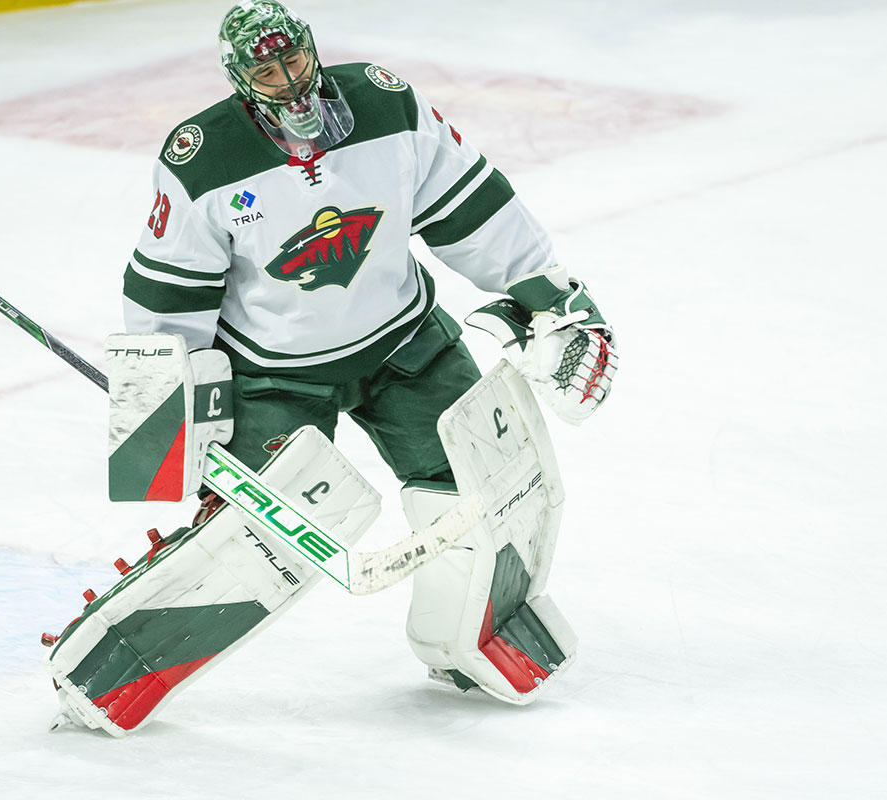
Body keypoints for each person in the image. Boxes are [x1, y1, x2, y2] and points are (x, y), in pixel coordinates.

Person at [120, 0, 617, 697]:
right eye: (266, 69)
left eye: (293, 58)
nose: (288, 79)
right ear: (240, 77)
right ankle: (127, 662)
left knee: (485, 485)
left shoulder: (385, 105)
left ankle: (468, 632)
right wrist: (162, 416)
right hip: (273, 378)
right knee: (252, 537)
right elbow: (168, 297)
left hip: (404, 346)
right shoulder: (202, 161)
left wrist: (550, 296)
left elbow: (473, 208)